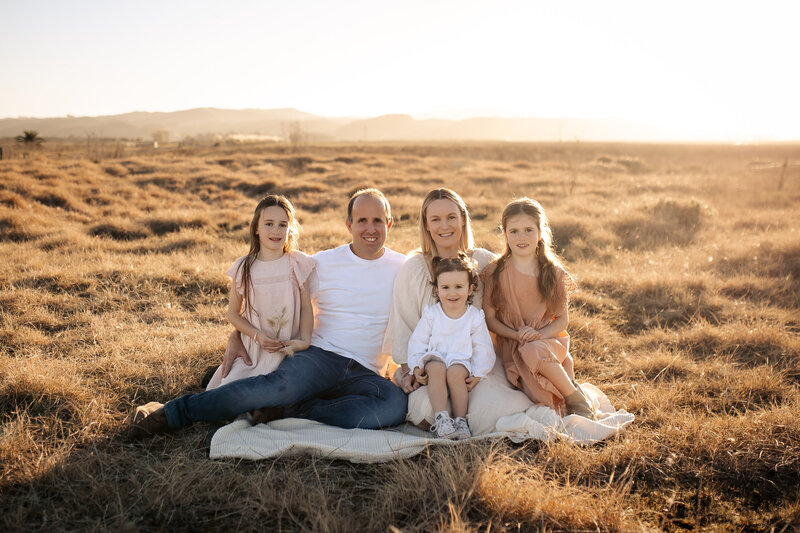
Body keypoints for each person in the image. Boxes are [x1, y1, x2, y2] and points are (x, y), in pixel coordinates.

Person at [129, 189, 408, 438]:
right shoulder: (321, 263)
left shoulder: (404, 268)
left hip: (366, 370)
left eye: (378, 221)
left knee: (393, 406)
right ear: (349, 224)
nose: (370, 228)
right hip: (319, 356)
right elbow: (269, 301)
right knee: (277, 387)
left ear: (389, 223)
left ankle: (292, 410)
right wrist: (236, 335)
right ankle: (173, 412)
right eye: (362, 220)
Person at [385, 188, 533, 434]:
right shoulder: (414, 268)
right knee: (425, 410)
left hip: (476, 362)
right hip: (432, 365)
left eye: (451, 217)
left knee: (488, 413)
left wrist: (482, 370)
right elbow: (405, 327)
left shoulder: (485, 263)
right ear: (426, 225)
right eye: (435, 219)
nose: (445, 226)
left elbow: (515, 303)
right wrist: (410, 370)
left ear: (463, 219)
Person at [482, 198, 596, 419]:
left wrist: (538, 335)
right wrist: (517, 334)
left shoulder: (553, 273)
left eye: (528, 230)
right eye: (514, 231)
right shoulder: (495, 272)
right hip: (513, 343)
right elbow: (490, 319)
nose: (521, 237)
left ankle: (576, 398)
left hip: (548, 341)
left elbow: (562, 321)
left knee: (535, 351)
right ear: (504, 233)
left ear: (541, 232)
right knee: (544, 399)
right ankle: (570, 390)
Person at [204, 194, 315, 390]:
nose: (276, 230)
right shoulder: (244, 267)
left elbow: (306, 307)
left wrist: (305, 341)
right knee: (230, 391)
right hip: (254, 351)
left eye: (282, 224)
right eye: (269, 224)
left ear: (290, 229)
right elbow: (233, 313)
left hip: (289, 350)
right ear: (256, 228)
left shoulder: (297, 263)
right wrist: (256, 335)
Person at [408, 254, 495, 439]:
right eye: (445, 287)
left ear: (470, 289)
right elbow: (418, 341)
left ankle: (460, 420)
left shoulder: (474, 317)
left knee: (456, 373)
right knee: (436, 368)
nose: (452, 293)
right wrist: (416, 366)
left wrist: (479, 373)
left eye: (458, 287)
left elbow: (483, 347)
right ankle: (442, 419)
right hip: (435, 356)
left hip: (460, 359)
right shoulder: (432, 314)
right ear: (437, 290)